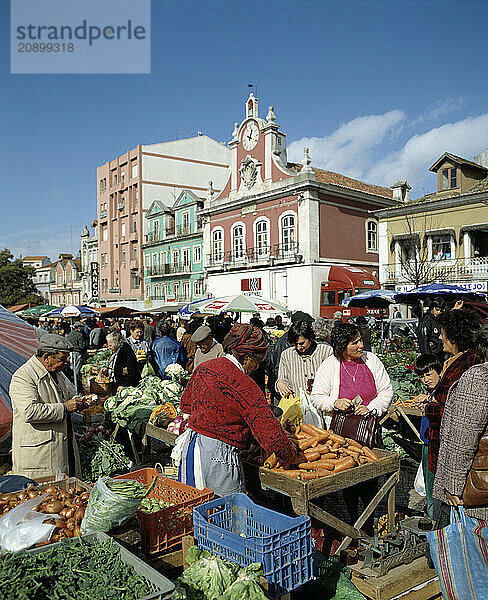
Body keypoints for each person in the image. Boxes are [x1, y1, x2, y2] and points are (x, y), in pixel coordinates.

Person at [176, 324, 297, 496]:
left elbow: (186, 404)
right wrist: (289, 455)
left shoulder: (204, 368)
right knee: (223, 513)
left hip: (192, 448)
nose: (257, 367)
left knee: (192, 505)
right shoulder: (246, 386)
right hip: (219, 456)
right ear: (247, 358)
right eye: (258, 362)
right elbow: (271, 436)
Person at [311, 322, 393, 531]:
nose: (360, 345)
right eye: (354, 342)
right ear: (341, 347)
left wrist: (372, 407)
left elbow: (386, 391)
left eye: (360, 340)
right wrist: (334, 403)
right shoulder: (329, 365)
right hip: (342, 438)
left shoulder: (372, 360)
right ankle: (351, 527)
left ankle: (366, 527)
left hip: (368, 434)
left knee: (369, 482)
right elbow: (317, 397)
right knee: (348, 482)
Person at [432, 324, 488, 527]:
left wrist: (453, 486)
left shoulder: (478, 378)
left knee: (468, 552)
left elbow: (463, 439)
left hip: (477, 493)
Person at [9, 334, 82, 479]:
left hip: (60, 449)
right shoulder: (24, 376)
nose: (66, 362)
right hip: (39, 457)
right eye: (62, 358)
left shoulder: (56, 373)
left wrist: (77, 403)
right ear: (47, 356)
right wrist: (64, 408)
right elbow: (29, 411)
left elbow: (62, 399)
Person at [424, 308, 479, 479]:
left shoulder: (465, 367)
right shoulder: (457, 361)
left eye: (442, 333)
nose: (440, 338)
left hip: (455, 451)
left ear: (454, 337)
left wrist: (429, 408)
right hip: (447, 445)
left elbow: (457, 413)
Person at [414, 353, 443, 519]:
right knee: (429, 484)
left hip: (436, 444)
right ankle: (432, 516)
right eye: (422, 376)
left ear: (438, 371)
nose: (425, 379)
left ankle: (435, 519)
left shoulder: (442, 393)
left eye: (428, 374)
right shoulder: (430, 392)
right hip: (426, 443)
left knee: (434, 486)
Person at [265, 311, 314, 405]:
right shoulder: (287, 342)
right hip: (286, 394)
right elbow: (278, 367)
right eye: (309, 324)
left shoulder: (287, 339)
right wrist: (280, 385)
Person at [276, 321, 333, 398]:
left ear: (310, 337)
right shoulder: (287, 355)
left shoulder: (326, 351)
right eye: (295, 344)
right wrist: (279, 383)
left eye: (302, 343)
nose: (298, 347)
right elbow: (281, 378)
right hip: (297, 404)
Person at [66, 321, 87, 393]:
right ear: (79, 328)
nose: (82, 329)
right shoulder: (79, 335)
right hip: (77, 353)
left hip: (70, 353)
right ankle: (77, 387)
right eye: (82, 327)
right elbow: (82, 346)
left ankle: (73, 386)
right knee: (77, 371)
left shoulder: (70, 334)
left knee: (72, 370)